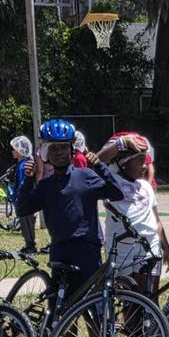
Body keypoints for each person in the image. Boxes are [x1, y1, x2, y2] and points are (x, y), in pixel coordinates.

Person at [16, 118, 126, 296]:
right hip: (60, 250)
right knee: (59, 309)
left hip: (87, 249)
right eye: (53, 148)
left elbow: (117, 193)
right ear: (45, 153)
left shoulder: (86, 176)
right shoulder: (46, 185)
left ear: (72, 149)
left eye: (63, 147)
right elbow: (22, 209)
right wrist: (28, 179)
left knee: (93, 305)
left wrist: (99, 166)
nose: (59, 153)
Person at [100, 140, 169, 297]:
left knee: (150, 297)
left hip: (149, 246)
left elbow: (156, 220)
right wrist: (121, 143)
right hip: (121, 249)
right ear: (123, 163)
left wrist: (165, 245)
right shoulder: (112, 182)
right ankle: (131, 322)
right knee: (128, 299)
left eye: (145, 161)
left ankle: (152, 322)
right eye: (139, 161)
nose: (145, 166)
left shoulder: (145, 186)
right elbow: (95, 163)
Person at [9, 135, 37, 253]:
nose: (12, 151)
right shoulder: (21, 164)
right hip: (21, 200)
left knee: (27, 223)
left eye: (14, 149)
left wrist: (19, 197)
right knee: (24, 224)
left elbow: (23, 183)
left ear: (20, 151)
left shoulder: (24, 165)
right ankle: (28, 244)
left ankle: (31, 246)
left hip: (24, 199)